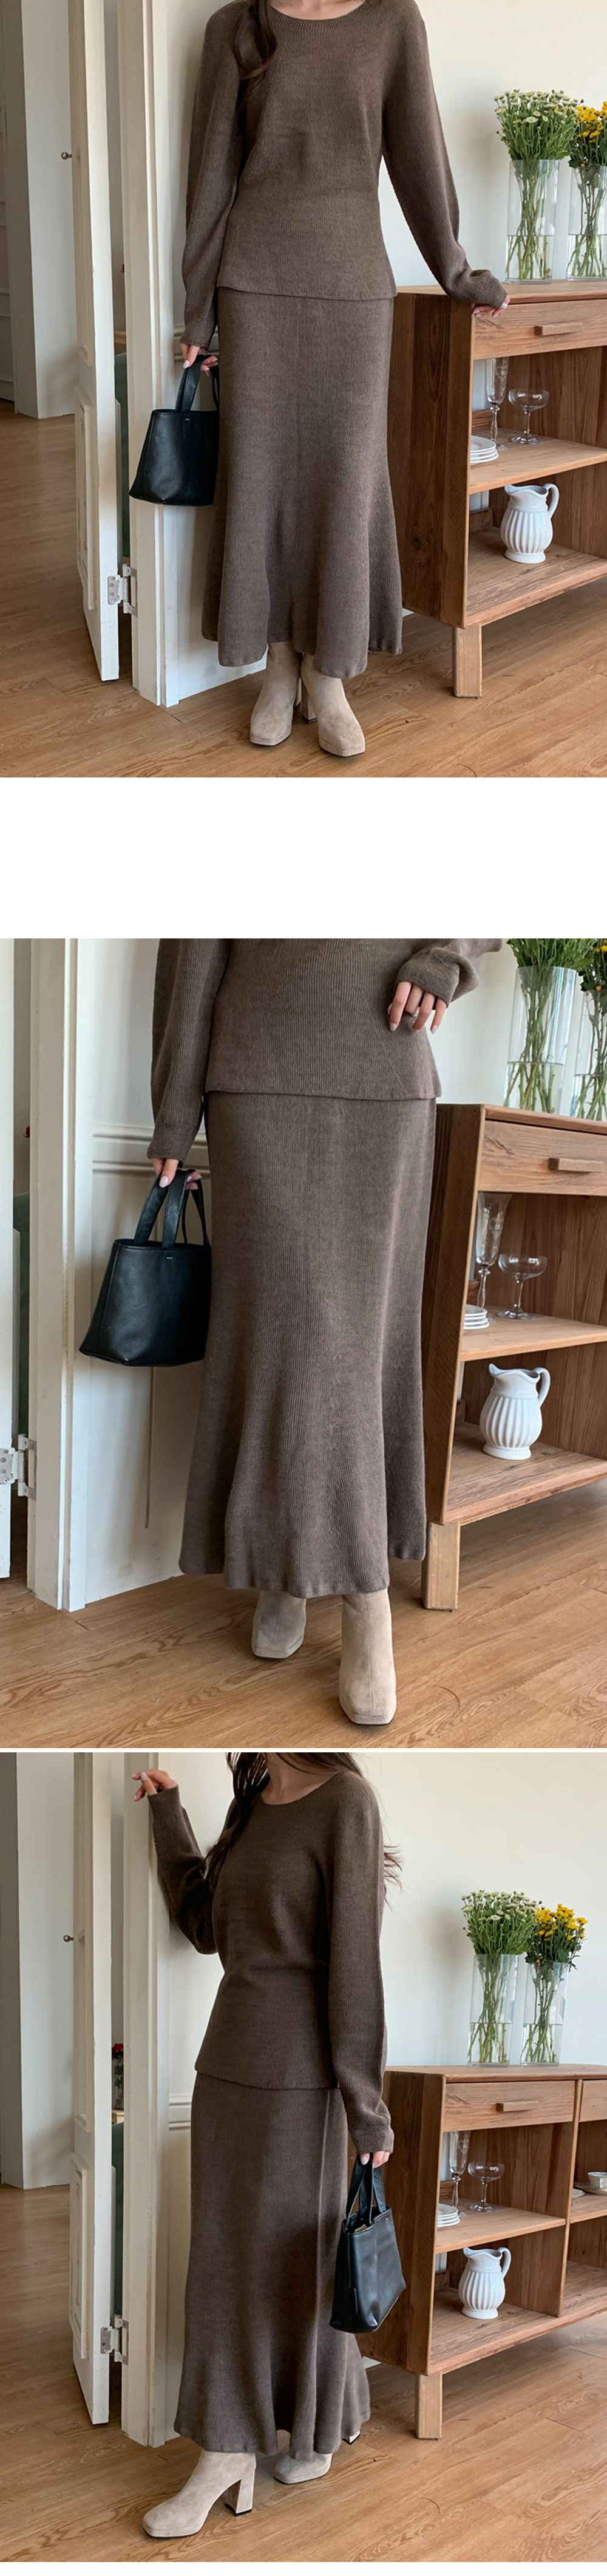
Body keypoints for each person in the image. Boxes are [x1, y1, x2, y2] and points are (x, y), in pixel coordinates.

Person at [149, 938, 501, 1723]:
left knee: (361, 1351)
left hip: (388, 1060)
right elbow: (193, 939)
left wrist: (448, 954)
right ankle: (287, 1569)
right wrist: (174, 1111)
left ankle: (364, 1593)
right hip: (259, 1069)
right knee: (277, 1341)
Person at [180, 0, 507, 756]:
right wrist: (199, 313)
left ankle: (328, 675)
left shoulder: (392, 21)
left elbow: (420, 156)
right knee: (260, 476)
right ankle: (277, 666)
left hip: (355, 288)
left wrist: (457, 273)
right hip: (254, 286)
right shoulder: (234, 27)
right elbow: (211, 178)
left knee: (345, 476)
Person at [137, 1751, 398, 2541]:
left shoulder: (346, 1802)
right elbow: (205, 1926)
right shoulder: (250, 1803)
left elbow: (355, 1966)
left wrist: (368, 2110)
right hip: (225, 2067)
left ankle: (309, 2428)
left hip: (303, 2081)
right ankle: (231, 2449)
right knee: (224, 2263)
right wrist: (169, 1817)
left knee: (296, 2261)